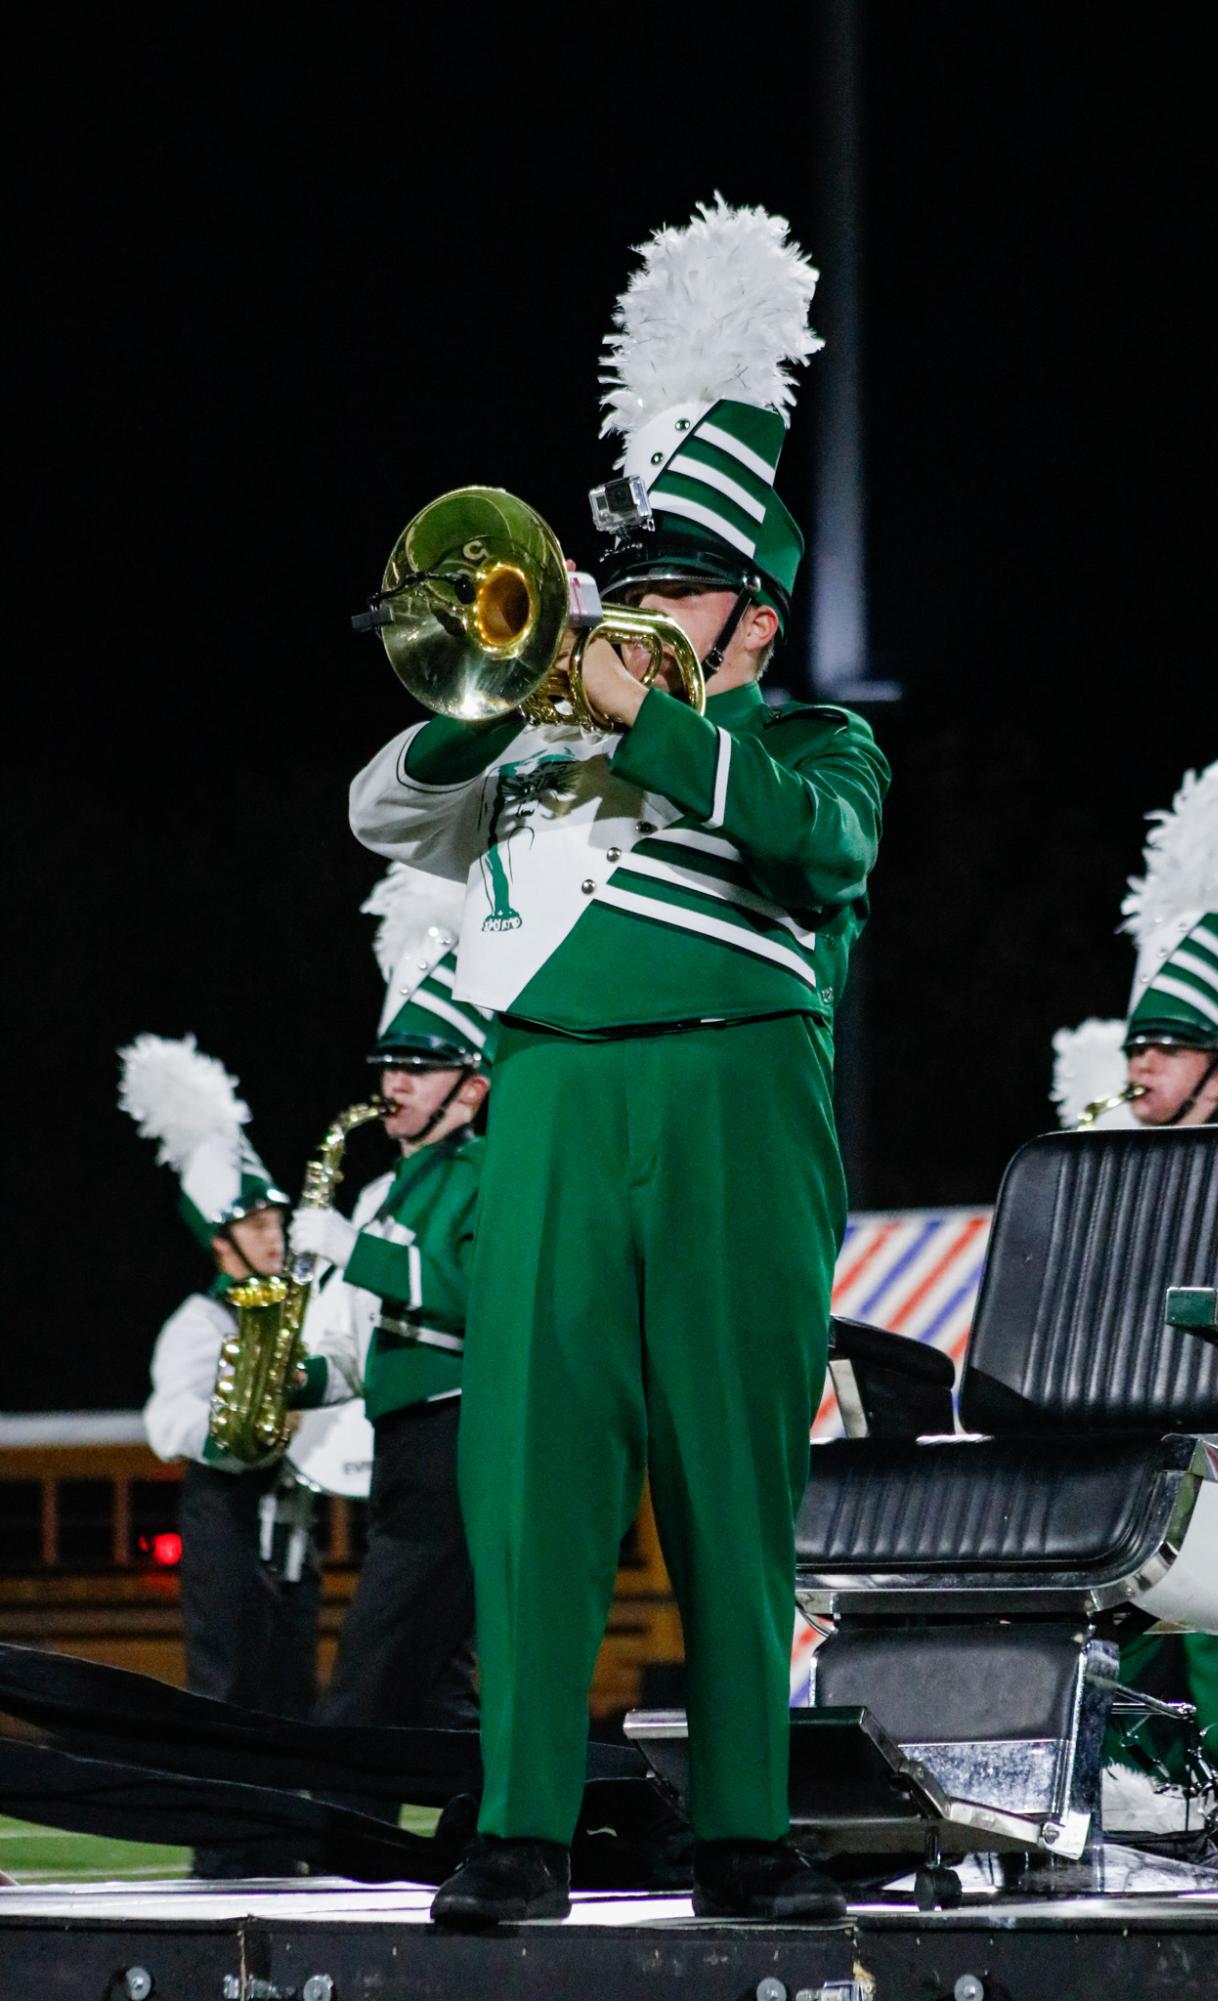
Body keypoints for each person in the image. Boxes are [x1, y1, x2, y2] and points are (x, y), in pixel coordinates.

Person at [349, 196, 892, 1924]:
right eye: (629, 582)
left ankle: (742, 1828)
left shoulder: (810, 741)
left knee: (730, 1480)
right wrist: (508, 694)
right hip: (560, 1100)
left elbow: (815, 852)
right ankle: (516, 1827)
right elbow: (374, 809)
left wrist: (645, 708)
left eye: (677, 586)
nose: (639, 608)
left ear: (752, 616)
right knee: (527, 1470)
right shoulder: (533, 759)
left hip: (736, 1100)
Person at [1051, 738, 1218, 1788]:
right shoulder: (1099, 1175)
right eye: (1137, 1046)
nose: (1141, 1061)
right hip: (1108, 1459)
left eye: (1168, 1047)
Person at [288, 864, 493, 1817]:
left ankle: (333, 1835)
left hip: (463, 1445)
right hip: (401, 1449)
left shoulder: (490, 1171)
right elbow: (360, 1345)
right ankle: (513, 1823)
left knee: (367, 1678)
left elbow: (472, 1297)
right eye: (389, 1062)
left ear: (474, 1083)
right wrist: (291, 1374)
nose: (396, 1080)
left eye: (421, 1064)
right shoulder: (379, 1193)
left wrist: (350, 1250)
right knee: (441, 1689)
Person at [120, 1033, 321, 1878]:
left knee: (288, 1695)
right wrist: (243, 1431)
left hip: (293, 1530)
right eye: (255, 1224)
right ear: (220, 1242)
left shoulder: (297, 1312)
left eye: (277, 1220)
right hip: (227, 1521)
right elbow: (168, 1422)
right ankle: (222, 1851)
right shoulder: (199, 1324)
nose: (274, 1236)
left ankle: (284, 1844)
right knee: (227, 1688)